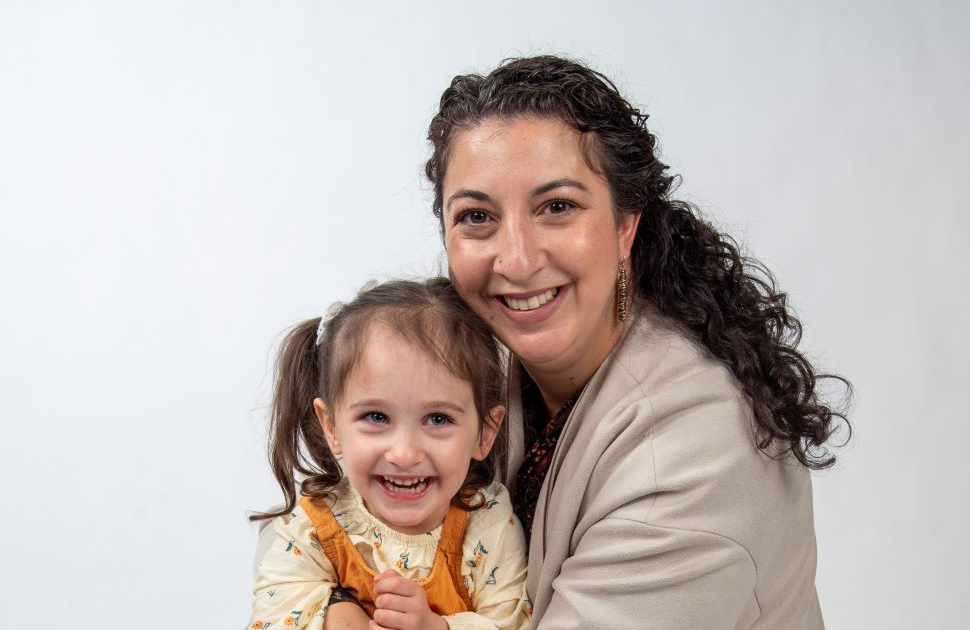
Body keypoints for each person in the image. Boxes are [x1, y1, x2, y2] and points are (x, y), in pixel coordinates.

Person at [417, 55, 850, 629]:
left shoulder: (690, 456)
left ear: (625, 227)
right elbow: (328, 520)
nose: (516, 260)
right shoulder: (479, 369)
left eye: (558, 207)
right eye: (476, 216)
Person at [249, 279, 532, 630]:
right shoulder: (313, 527)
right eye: (376, 417)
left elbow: (514, 623)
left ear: (485, 432)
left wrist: (435, 627)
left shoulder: (489, 525)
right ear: (332, 426)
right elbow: (272, 616)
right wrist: (337, 620)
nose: (404, 454)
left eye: (438, 419)